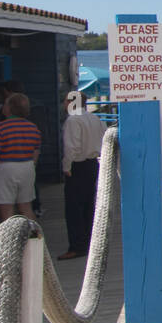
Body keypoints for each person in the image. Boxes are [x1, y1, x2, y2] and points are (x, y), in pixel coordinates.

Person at [59, 91, 106, 260]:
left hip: (77, 165)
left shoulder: (73, 120)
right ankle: (90, 243)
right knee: (88, 205)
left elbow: (72, 147)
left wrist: (66, 166)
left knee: (74, 208)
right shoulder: (95, 118)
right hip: (92, 163)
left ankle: (77, 246)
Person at [0, 93, 43, 222]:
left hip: (5, 169)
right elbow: (35, 153)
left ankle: (11, 235)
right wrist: (31, 167)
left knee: (7, 210)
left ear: (9, 108)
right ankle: (34, 234)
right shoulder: (33, 128)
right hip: (27, 167)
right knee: (26, 208)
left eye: (5, 104)